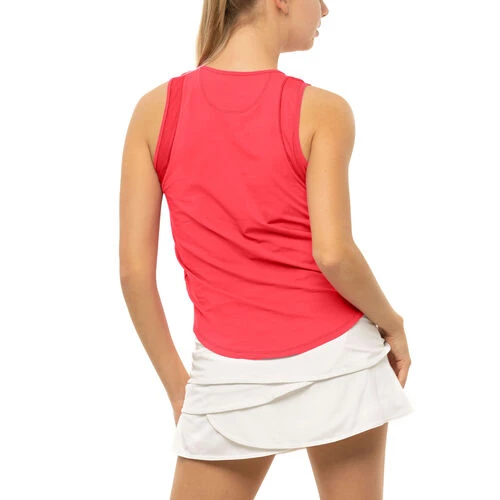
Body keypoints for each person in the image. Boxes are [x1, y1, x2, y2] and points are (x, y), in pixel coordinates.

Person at [119, 0, 414, 498]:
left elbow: (133, 271)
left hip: (229, 378)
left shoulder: (155, 112)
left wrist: (177, 386)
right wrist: (393, 323)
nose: (325, 9)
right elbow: (334, 253)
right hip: (340, 364)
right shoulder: (324, 111)